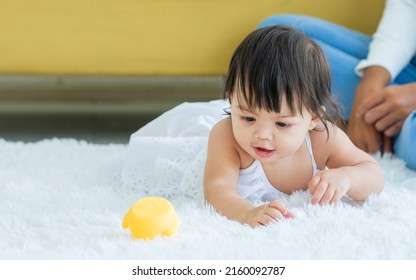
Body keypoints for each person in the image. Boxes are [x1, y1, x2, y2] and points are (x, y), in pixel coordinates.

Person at [203, 25, 384, 228]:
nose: (262, 135)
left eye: (282, 123)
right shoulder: (226, 137)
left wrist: (348, 177)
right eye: (247, 118)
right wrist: (246, 213)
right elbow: (217, 189)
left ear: (313, 118)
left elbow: (374, 175)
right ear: (231, 100)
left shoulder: (322, 138)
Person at [258, 0, 416, 170]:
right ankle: (380, 122)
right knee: (277, 40)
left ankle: (387, 129)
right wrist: (369, 86)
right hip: (408, 67)